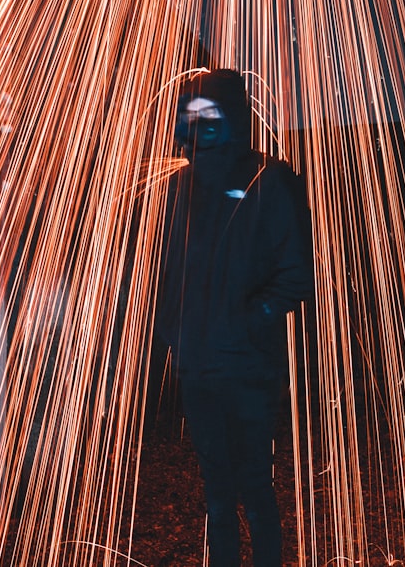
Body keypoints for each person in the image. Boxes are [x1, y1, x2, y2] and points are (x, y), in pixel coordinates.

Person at [155, 68, 314, 567]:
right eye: (189, 114)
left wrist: (247, 321)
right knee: (217, 492)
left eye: (208, 113)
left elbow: (297, 273)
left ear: (232, 117)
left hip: (248, 370)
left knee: (254, 486)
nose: (197, 123)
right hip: (198, 368)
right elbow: (166, 272)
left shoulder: (271, 180)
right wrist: (169, 337)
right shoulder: (177, 188)